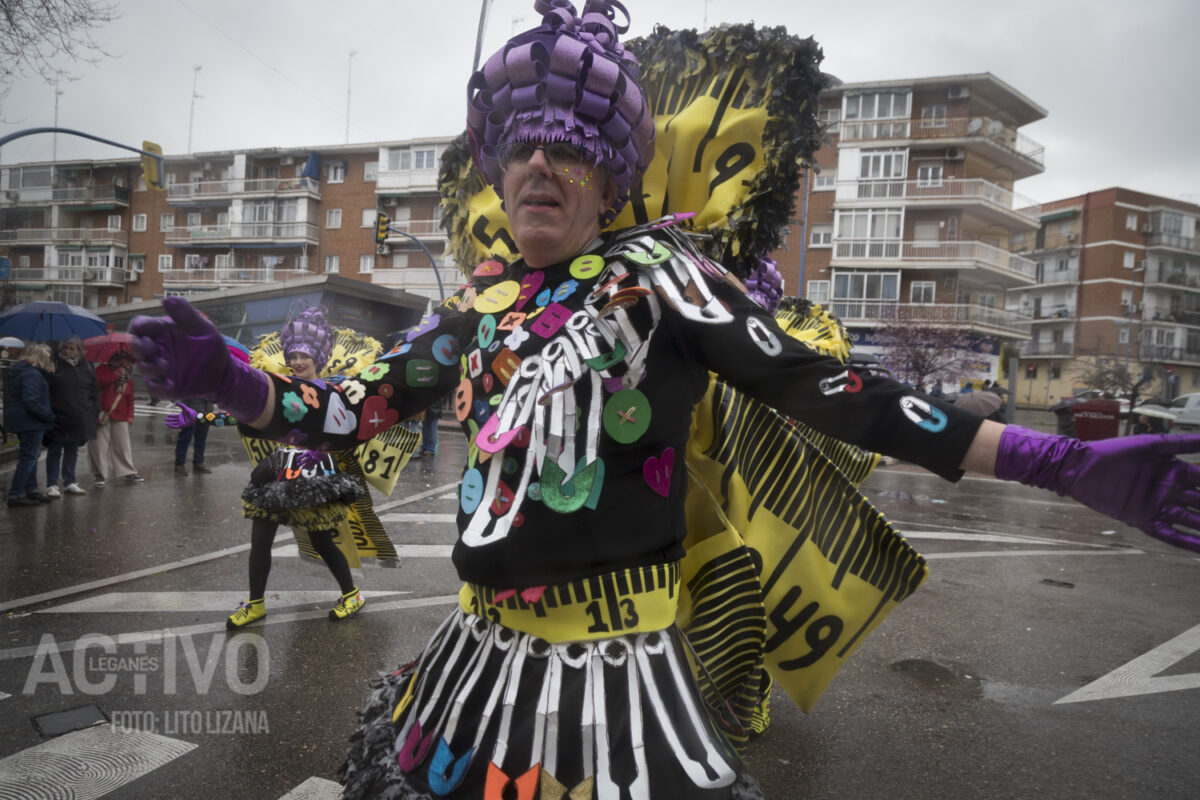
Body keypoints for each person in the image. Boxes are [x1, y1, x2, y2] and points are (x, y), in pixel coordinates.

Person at [130, 3, 1200, 797]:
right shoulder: (469, 310)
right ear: (499, 175)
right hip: (475, 664)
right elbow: (345, 410)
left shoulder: (665, 277)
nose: (542, 165)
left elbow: (839, 393)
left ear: (608, 179)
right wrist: (232, 380)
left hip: (623, 674)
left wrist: (1054, 460)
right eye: (522, 149)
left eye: (571, 150)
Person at [44, 336, 99, 498]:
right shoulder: (55, 365)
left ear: (80, 351)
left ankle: (69, 482)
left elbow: (94, 391)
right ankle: (52, 484)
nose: (67, 351)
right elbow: (46, 389)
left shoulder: (87, 366)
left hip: (79, 417)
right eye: (65, 348)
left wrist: (95, 410)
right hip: (59, 416)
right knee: (54, 451)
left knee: (72, 451)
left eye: (71, 349)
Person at [5, 343, 55, 508]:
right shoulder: (32, 375)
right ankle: (17, 493)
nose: (49, 360)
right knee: (29, 457)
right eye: (48, 357)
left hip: (23, 420)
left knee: (31, 457)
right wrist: (48, 415)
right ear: (41, 358)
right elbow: (31, 400)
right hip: (30, 421)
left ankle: (31, 490)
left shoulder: (23, 372)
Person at [88, 350, 143, 487]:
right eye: (129, 360)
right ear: (121, 359)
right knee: (99, 445)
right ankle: (99, 473)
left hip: (121, 414)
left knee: (123, 445)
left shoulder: (128, 376)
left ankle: (128, 471)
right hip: (101, 413)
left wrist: (130, 415)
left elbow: (130, 398)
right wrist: (115, 375)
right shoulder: (102, 369)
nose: (131, 364)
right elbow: (96, 386)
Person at [172, 395, 214, 476]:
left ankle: (198, 463)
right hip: (191, 414)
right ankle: (179, 464)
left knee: (201, 440)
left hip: (205, 415)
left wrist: (209, 412)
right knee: (184, 439)